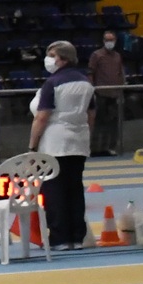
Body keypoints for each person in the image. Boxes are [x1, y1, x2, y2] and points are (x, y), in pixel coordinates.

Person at [30, 41, 94, 248]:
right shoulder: (86, 82)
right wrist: (86, 135)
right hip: (79, 140)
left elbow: (42, 117)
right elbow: (91, 114)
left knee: (54, 190)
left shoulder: (53, 83)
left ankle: (60, 237)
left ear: (64, 59)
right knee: (75, 188)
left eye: (52, 55)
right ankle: (77, 236)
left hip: (54, 141)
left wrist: (32, 146)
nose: (48, 60)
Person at [88, 30, 126, 155]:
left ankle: (111, 147)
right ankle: (95, 148)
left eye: (112, 40)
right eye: (107, 40)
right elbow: (90, 72)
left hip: (115, 94)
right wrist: (92, 90)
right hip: (100, 94)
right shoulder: (97, 55)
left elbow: (120, 73)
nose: (110, 42)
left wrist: (121, 89)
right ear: (103, 41)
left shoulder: (117, 56)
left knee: (113, 123)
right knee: (98, 122)